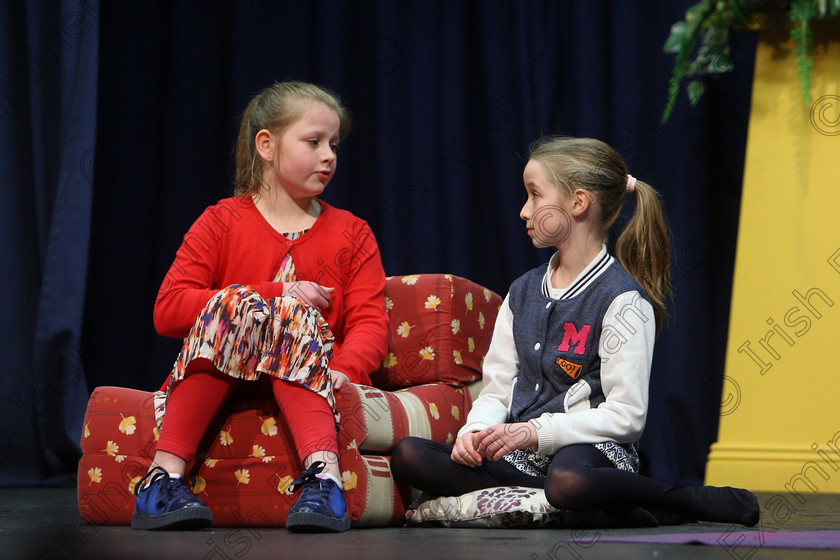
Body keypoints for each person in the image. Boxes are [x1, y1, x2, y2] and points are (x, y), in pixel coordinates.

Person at [391, 136, 760, 527]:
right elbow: (498, 386)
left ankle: (680, 500)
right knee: (409, 455)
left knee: (568, 480)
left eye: (534, 196)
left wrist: (536, 432)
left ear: (578, 203)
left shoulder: (622, 299)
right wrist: (476, 430)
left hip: (590, 449)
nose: (523, 210)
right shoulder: (522, 291)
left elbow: (627, 416)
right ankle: (600, 505)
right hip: (523, 454)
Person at [131, 81, 388, 533]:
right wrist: (270, 293)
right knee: (246, 303)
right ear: (266, 145)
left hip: (309, 378)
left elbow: (369, 323)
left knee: (289, 316)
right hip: (221, 370)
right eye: (313, 142)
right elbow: (168, 309)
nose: (329, 155)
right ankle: (162, 478)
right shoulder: (221, 221)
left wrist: (345, 370)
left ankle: (322, 481)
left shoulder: (352, 232)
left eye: (334, 145)